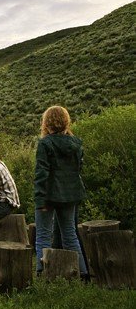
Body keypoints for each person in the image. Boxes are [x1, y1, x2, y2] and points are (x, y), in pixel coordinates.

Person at [34, 106, 88, 278]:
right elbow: (78, 169)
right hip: (71, 194)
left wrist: (40, 200)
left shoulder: (45, 143)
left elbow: (42, 173)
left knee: (43, 235)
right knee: (70, 235)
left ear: (46, 122)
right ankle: (83, 274)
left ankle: (42, 273)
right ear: (66, 121)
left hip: (49, 195)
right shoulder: (76, 143)